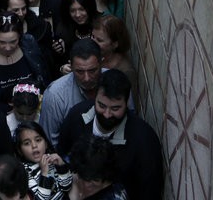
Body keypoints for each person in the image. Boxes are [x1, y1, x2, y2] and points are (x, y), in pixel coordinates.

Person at [56, 71, 162, 200]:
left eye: (115, 109)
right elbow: (62, 155)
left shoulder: (144, 141)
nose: (107, 114)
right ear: (95, 97)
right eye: (101, 105)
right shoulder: (77, 116)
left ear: (127, 103)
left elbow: (150, 193)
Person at [37, 39, 103, 147]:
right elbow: (49, 143)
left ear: (101, 63)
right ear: (70, 67)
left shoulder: (115, 82)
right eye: (80, 72)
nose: (86, 78)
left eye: (92, 71)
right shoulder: (55, 95)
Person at [0, 11, 49, 113]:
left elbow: (42, 77)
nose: (8, 48)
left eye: (13, 42)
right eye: (2, 42)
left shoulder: (29, 44)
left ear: (20, 36)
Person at [13, 121, 72, 200]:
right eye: (27, 143)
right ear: (20, 150)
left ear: (46, 143)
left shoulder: (52, 159)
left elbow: (67, 187)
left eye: (38, 140)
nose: (34, 146)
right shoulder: (24, 171)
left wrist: (61, 166)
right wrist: (44, 173)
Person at [52, 0, 99, 71]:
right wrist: (62, 68)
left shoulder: (100, 27)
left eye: (82, 9)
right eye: (73, 11)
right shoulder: (62, 30)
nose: (77, 15)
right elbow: (56, 63)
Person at [90, 16, 135, 91]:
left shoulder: (125, 72)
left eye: (99, 40)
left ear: (114, 44)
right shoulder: (99, 56)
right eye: (93, 36)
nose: (93, 42)